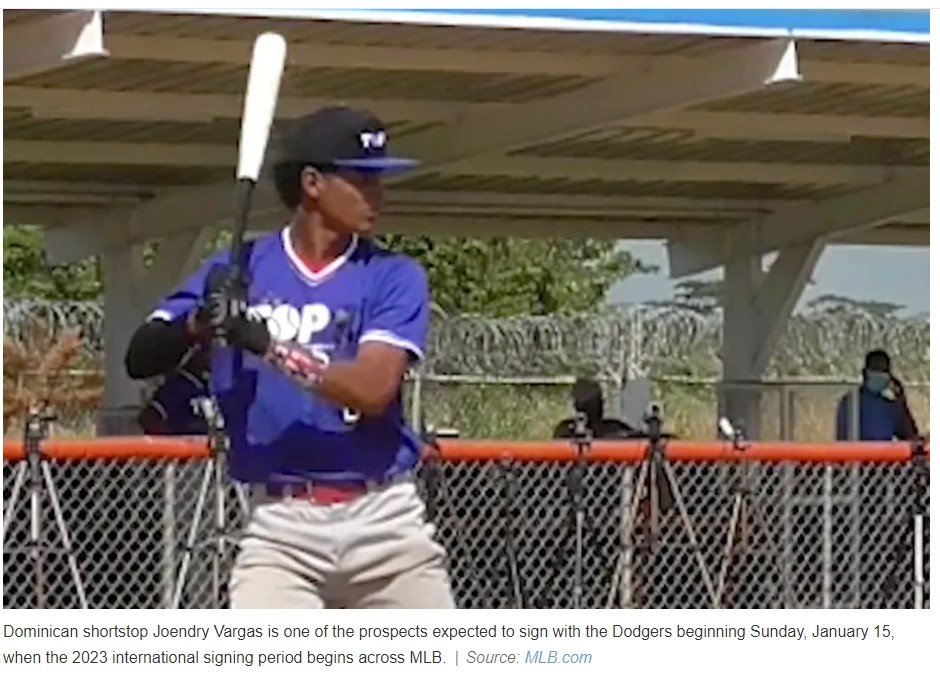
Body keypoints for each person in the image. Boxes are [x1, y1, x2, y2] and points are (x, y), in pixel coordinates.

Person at [124, 105, 454, 609]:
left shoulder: (392, 275)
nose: (377, 194)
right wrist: (202, 324)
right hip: (281, 526)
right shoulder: (241, 267)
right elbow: (140, 356)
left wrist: (267, 345)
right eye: (361, 179)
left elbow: (371, 390)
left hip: (383, 520)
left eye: (378, 180)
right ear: (312, 183)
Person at [836, 349, 919, 441]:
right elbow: (842, 441)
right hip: (856, 454)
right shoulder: (850, 402)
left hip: (885, 454)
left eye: (883, 371)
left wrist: (901, 400)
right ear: (864, 373)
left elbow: (911, 438)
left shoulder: (891, 405)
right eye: (875, 369)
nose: (879, 375)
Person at [137, 347, 209, 436]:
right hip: (185, 445)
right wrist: (175, 441)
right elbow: (148, 418)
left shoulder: (215, 384)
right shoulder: (177, 385)